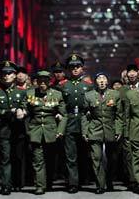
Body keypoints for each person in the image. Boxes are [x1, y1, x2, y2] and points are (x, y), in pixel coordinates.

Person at [25, 70, 67, 195]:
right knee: (38, 160)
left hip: (51, 132)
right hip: (35, 131)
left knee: (50, 159)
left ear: (49, 82)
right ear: (37, 81)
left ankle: (48, 183)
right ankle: (39, 186)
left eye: (45, 81)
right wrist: (27, 128)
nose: (42, 83)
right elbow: (26, 111)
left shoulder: (57, 94)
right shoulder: (30, 93)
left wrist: (60, 131)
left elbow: (64, 115)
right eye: (40, 80)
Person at [81, 73, 124, 193]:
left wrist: (119, 129)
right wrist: (85, 131)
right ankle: (100, 185)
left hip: (111, 129)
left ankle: (109, 181)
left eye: (104, 79)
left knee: (112, 159)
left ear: (107, 81)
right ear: (95, 82)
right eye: (99, 79)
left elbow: (119, 115)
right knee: (96, 158)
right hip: (94, 129)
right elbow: (85, 115)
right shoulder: (89, 95)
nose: (101, 81)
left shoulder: (115, 94)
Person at [0, 61, 27, 195]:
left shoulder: (22, 92)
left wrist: (23, 110)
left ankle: (18, 183)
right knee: (6, 158)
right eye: (4, 73)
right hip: (5, 130)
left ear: (15, 75)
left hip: (19, 130)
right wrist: (9, 111)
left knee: (17, 157)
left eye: (9, 73)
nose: (6, 76)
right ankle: (6, 185)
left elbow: (26, 105)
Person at [60, 53, 93, 193]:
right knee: (70, 156)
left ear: (82, 69)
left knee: (84, 154)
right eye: (72, 67)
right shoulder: (62, 85)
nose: (75, 69)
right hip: (69, 122)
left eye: (78, 66)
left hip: (84, 121)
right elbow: (59, 104)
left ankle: (84, 179)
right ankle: (73, 183)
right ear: (68, 69)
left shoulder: (88, 86)